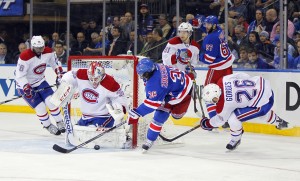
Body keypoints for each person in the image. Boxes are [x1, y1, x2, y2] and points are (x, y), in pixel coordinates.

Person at [199, 73, 290, 150]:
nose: (213, 102)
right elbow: (242, 75)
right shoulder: (223, 80)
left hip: (265, 103)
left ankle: (236, 139)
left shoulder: (224, 105)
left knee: (233, 118)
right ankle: (280, 122)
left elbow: (220, 120)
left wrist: (206, 124)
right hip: (263, 85)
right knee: (250, 109)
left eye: (213, 100)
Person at [53, 61, 130, 148]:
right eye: (91, 78)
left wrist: (121, 108)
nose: (93, 81)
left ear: (102, 75)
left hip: (103, 117)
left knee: (91, 133)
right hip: (85, 117)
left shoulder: (110, 82)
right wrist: (63, 81)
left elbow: (120, 97)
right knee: (78, 133)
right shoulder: (82, 74)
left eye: (96, 79)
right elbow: (70, 75)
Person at [127, 58, 193, 152]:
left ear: (149, 71)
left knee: (177, 116)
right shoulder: (155, 67)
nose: (142, 77)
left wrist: (137, 113)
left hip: (184, 92)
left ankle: (152, 136)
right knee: (159, 118)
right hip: (171, 88)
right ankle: (150, 140)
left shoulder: (156, 83)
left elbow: (151, 105)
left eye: (144, 74)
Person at [14, 35, 65, 135]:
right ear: (32, 46)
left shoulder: (48, 51)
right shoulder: (25, 56)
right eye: (37, 48)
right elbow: (20, 76)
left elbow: (55, 63)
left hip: (40, 81)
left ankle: (59, 121)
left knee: (51, 101)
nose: (40, 50)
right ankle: (47, 125)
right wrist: (26, 87)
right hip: (24, 85)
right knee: (40, 107)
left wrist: (59, 74)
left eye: (41, 47)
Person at [199, 15, 234, 120]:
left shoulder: (211, 38)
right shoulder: (220, 31)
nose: (207, 26)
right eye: (206, 24)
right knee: (224, 94)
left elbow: (209, 59)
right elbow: (210, 32)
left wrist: (199, 55)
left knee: (208, 92)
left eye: (209, 24)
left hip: (217, 69)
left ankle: (213, 120)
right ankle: (227, 118)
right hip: (228, 66)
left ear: (214, 25)